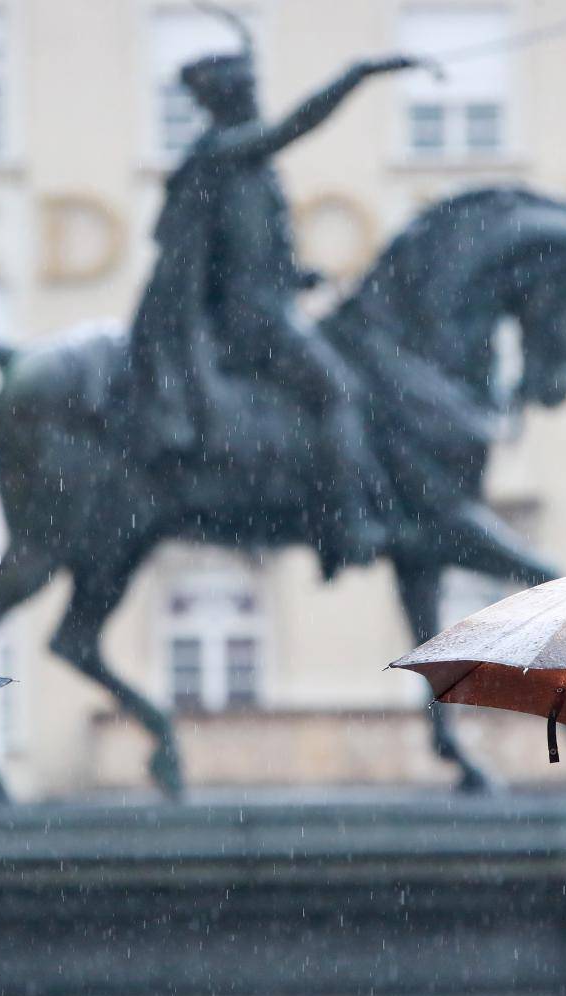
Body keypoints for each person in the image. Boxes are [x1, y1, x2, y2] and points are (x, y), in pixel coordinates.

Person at [126, 7, 424, 578]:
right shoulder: (228, 151)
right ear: (233, 98)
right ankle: (348, 519)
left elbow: (243, 252)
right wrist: (357, 73)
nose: (256, 99)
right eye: (248, 91)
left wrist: (296, 276)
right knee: (339, 390)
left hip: (265, 306)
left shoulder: (241, 165)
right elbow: (300, 123)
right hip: (254, 323)